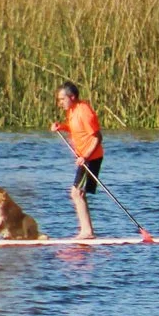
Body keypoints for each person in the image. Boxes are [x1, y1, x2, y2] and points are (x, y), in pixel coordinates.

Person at [51, 82, 104, 240]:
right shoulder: (73, 110)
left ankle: (87, 232)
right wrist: (62, 127)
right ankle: (87, 231)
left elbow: (97, 137)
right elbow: (76, 129)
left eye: (62, 99)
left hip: (91, 157)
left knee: (76, 193)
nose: (60, 103)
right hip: (85, 157)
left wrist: (85, 156)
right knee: (78, 193)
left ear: (72, 97)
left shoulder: (84, 112)